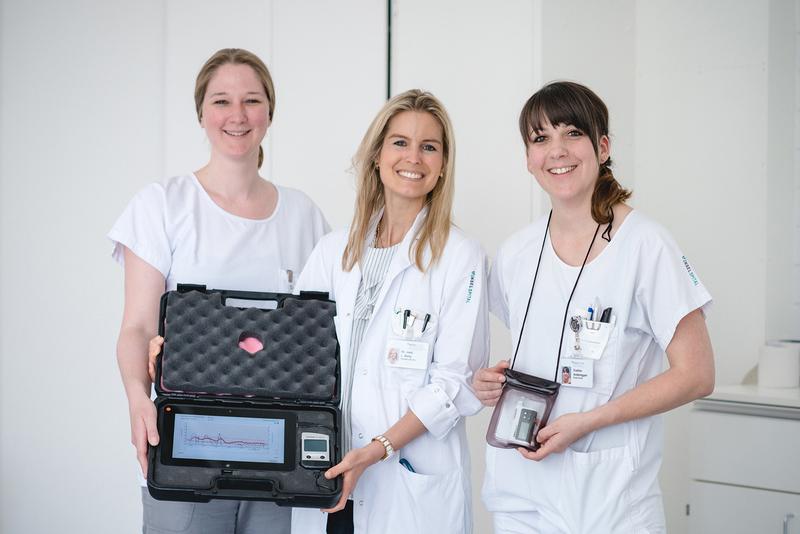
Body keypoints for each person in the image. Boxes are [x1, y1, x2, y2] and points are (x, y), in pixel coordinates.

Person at [473, 81, 714, 533]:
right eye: (541, 138)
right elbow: (533, 356)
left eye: (572, 133)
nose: (557, 151)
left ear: (602, 147)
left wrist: (588, 421)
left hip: (610, 497)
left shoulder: (645, 245)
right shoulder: (516, 253)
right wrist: (487, 383)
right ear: (528, 157)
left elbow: (697, 374)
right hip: (520, 494)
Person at [109, 48, 329, 534]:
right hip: (184, 448)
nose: (237, 115)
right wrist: (136, 397)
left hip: (280, 456)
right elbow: (137, 328)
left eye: (251, 100)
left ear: (269, 112)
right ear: (202, 114)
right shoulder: (162, 205)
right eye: (221, 101)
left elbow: (324, 338)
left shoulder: (304, 217)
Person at [290, 89, 489, 534]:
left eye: (429, 146)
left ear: (442, 167)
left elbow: (455, 383)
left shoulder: (460, 257)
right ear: (377, 155)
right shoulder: (332, 251)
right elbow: (293, 356)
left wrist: (376, 449)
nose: (413, 157)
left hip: (404, 483)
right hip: (326, 471)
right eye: (400, 142)